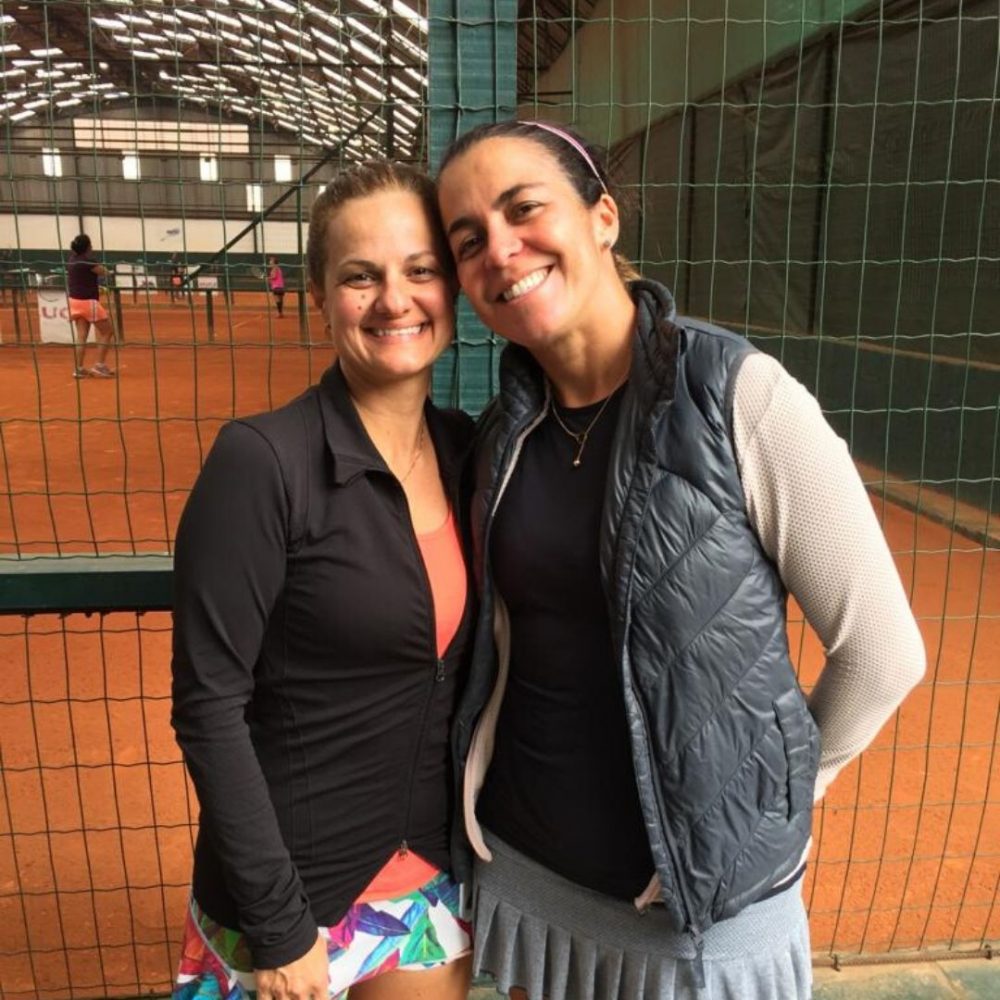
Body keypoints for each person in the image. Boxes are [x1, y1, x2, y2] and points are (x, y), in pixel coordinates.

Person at [436, 120, 926, 1000]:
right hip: (529, 867)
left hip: (697, 904)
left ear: (604, 218)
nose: (500, 250)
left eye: (524, 209)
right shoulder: (505, 432)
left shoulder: (738, 394)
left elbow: (884, 653)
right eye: (469, 241)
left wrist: (765, 807)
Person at [170, 161, 475, 1000]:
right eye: (359, 276)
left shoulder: (468, 453)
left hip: (425, 886)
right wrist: (277, 922)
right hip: (288, 905)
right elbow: (208, 705)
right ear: (318, 295)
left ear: (451, 287)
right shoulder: (261, 461)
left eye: (420, 270)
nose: (393, 300)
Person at [66, 233, 115, 378]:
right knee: (107, 331)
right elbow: (104, 272)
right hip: (88, 301)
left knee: (81, 336)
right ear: (87, 247)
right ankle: (99, 365)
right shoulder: (88, 261)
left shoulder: (72, 259)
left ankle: (79, 368)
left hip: (74, 301)